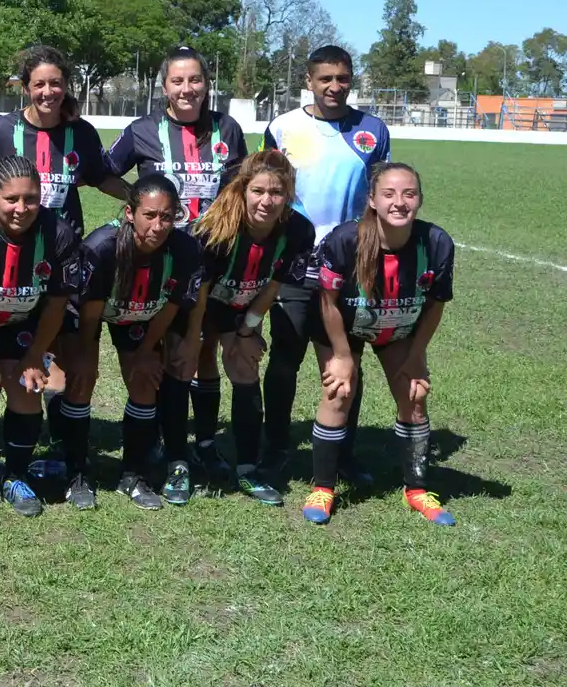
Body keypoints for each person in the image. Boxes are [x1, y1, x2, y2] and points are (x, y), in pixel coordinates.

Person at [0, 44, 126, 467]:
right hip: (7, 260)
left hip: (61, 259)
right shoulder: (1, 131)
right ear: (25, 88)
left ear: (66, 87)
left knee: (56, 351)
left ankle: (58, 437)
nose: (48, 91)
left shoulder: (82, 133)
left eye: (56, 83)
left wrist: (139, 202)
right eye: (39, 84)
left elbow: (101, 177)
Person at [105, 46, 249, 486]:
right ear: (163, 86)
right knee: (169, 350)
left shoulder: (228, 129)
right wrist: (141, 201)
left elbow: (239, 186)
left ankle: (203, 442)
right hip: (158, 260)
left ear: (207, 84)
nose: (187, 89)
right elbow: (103, 170)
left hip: (214, 260)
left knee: (202, 351)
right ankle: (170, 443)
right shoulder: (143, 130)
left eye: (195, 80)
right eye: (177, 81)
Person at [261, 46, 391, 483]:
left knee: (345, 361)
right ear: (310, 80)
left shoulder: (372, 130)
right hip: (294, 265)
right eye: (326, 79)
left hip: (351, 267)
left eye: (343, 78)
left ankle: (343, 453)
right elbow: (269, 190)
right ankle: (276, 447)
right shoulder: (282, 127)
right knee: (284, 360)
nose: (335, 86)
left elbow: (379, 198)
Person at [302, 163, 456, 526]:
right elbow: (327, 301)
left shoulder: (436, 242)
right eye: (388, 194)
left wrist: (417, 357)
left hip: (398, 326)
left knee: (414, 396)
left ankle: (416, 489)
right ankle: (323, 487)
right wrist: (341, 355)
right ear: (372, 200)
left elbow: (435, 305)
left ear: (419, 199)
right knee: (339, 391)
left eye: (409, 194)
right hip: (343, 325)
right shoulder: (346, 239)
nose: (399, 202)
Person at [182, 150, 314, 505]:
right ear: (243, 191)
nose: (266, 201)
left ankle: (246, 468)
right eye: (258, 191)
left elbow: (273, 286)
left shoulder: (299, 230)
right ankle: (193, 450)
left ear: (289, 195)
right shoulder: (215, 229)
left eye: (276, 192)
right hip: (199, 302)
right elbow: (201, 292)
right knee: (194, 360)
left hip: (242, 304)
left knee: (243, 364)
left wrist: (245, 332)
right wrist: (194, 338)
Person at [0, 155, 78, 518]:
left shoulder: (58, 233)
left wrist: (36, 354)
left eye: (31, 199)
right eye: (12, 199)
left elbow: (56, 304)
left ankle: (15, 476)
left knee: (26, 389)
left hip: (23, 321)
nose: (22, 208)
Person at [69, 175, 203, 510]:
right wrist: (86, 354)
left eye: (167, 217)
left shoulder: (184, 250)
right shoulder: (102, 248)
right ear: (130, 213)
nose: (159, 225)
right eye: (150, 215)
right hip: (90, 314)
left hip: (140, 316)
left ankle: (132, 474)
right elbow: (89, 315)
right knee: (81, 380)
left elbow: (170, 308)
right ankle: (76, 473)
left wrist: (145, 353)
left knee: (144, 381)